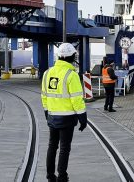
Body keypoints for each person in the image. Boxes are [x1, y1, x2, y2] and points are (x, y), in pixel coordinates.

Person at [41, 43, 87, 182]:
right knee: (64, 148)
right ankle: (62, 177)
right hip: (67, 118)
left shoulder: (47, 73)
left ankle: (50, 176)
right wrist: (83, 118)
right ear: (72, 57)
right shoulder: (71, 75)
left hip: (52, 116)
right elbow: (77, 100)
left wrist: (46, 112)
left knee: (52, 146)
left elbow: (44, 95)